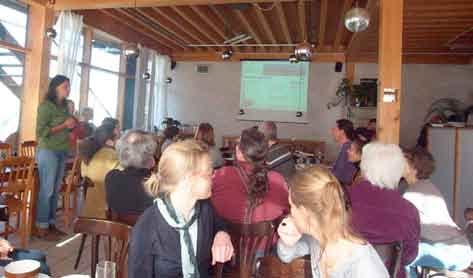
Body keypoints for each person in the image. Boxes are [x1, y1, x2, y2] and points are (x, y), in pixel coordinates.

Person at [128, 140, 234, 277]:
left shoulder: (204, 208)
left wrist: (222, 235)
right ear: (188, 179)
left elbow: (219, 224)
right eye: (209, 173)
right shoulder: (148, 226)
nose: (213, 177)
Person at [277, 166, 388, 278]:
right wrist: (287, 242)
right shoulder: (318, 239)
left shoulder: (363, 265)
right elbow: (286, 256)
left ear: (305, 212)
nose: (290, 212)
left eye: (291, 206)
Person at [348, 142, 420, 278]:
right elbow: (408, 257)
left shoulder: (343, 199)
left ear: (364, 167)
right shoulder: (409, 210)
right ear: (398, 171)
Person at [403, 148, 472, 277]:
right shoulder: (427, 186)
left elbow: (402, 228)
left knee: (404, 254)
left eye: (403, 161)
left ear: (413, 167)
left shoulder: (413, 193)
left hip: (450, 252)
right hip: (460, 250)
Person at [212, 127, 289, 225]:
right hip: (269, 240)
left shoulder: (221, 175)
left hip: (226, 238)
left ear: (239, 152)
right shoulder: (278, 180)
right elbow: (286, 213)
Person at [35, 75, 77, 240]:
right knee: (47, 190)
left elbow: (67, 129)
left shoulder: (65, 107)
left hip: (61, 151)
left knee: (56, 190)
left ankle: (51, 224)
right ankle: (41, 226)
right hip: (48, 151)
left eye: (69, 86)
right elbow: (41, 133)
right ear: (55, 88)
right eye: (65, 86)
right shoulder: (45, 107)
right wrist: (64, 125)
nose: (68, 89)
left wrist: (71, 126)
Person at [105, 130, 156, 215]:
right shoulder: (153, 184)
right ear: (148, 157)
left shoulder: (112, 177)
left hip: (117, 228)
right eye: (152, 153)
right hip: (143, 227)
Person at [78, 123, 120, 219]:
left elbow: (83, 174)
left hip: (89, 211)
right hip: (105, 212)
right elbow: (123, 175)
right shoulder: (111, 155)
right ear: (110, 141)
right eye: (117, 138)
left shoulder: (89, 153)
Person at [331, 119, 357, 186]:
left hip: (342, 186)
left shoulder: (347, 147)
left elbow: (339, 174)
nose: (332, 131)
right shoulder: (347, 146)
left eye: (335, 129)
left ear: (342, 132)